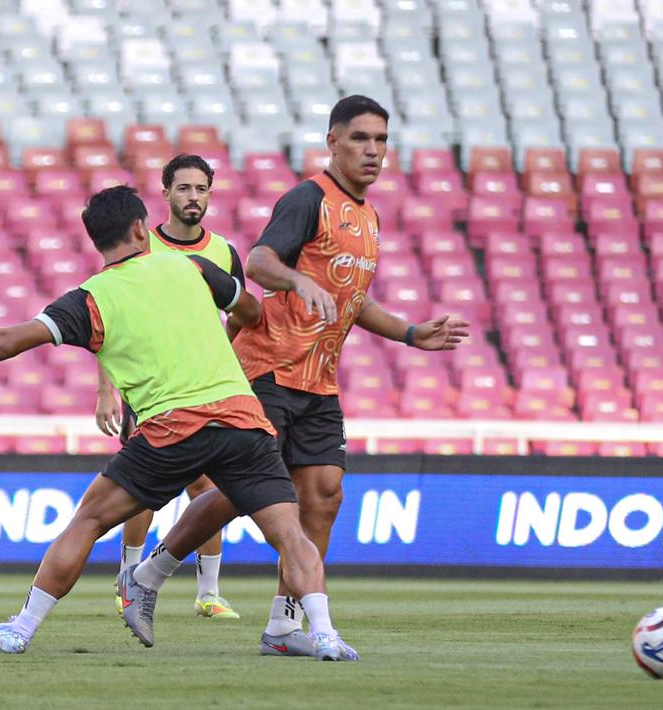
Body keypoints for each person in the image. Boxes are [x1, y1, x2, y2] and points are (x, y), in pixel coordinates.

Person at [0, 186, 358, 660]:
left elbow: (7, 339)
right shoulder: (192, 266)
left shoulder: (90, 299)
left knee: (89, 520)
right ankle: (326, 635)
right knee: (291, 534)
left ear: (97, 240)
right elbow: (250, 310)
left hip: (171, 431)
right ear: (143, 229)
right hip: (242, 422)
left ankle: (21, 630)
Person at [231, 95, 469, 656]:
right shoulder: (307, 198)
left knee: (324, 497)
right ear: (332, 141)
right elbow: (258, 264)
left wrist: (411, 333)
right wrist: (295, 281)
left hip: (319, 381)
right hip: (269, 367)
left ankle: (285, 628)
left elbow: (353, 301)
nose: (373, 150)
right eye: (361, 138)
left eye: (382, 140)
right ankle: (155, 570)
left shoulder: (368, 217)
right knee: (239, 492)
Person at [95, 154, 244, 620]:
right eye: (184, 189)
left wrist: (218, 354)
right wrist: (106, 388)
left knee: (211, 486)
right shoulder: (143, 247)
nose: (193, 197)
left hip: (205, 388)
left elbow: (241, 314)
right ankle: (130, 579)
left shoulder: (224, 251)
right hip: (151, 387)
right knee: (142, 490)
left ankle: (209, 591)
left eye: (201, 189)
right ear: (165, 194)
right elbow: (107, 315)